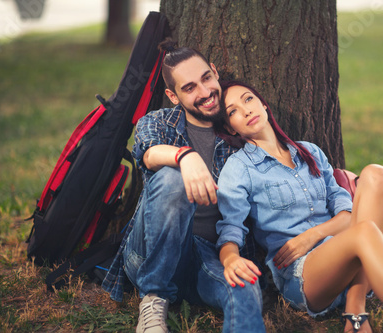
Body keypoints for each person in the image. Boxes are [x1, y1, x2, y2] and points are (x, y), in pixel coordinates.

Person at [213, 80, 383, 333]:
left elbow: (345, 212)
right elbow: (230, 228)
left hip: (345, 249)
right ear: (230, 128)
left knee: (377, 173)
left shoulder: (308, 151)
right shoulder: (239, 168)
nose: (245, 110)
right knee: (365, 231)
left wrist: (312, 235)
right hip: (304, 272)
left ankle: (355, 306)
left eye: (248, 99)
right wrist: (230, 258)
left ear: (264, 105)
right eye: (233, 111)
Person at [102, 44, 265, 333]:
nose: (204, 92)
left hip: (210, 257)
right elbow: (149, 154)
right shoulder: (157, 122)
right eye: (190, 88)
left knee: (246, 287)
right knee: (172, 178)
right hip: (150, 252)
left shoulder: (236, 126)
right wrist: (184, 156)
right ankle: (154, 297)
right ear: (173, 96)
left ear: (215, 72)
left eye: (205, 78)